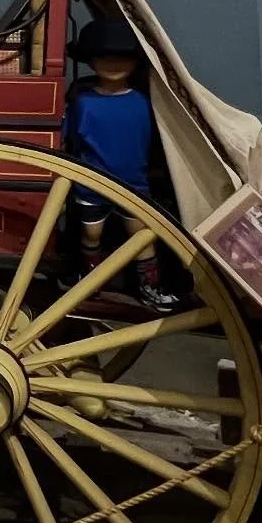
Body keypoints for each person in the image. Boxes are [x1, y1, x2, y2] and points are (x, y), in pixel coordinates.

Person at [64, 17, 180, 313]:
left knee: (142, 236)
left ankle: (149, 287)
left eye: (123, 57)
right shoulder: (82, 102)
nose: (113, 64)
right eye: (104, 57)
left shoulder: (143, 101)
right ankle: (91, 280)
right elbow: (72, 140)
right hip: (91, 184)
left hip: (134, 183)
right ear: (91, 60)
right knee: (91, 235)